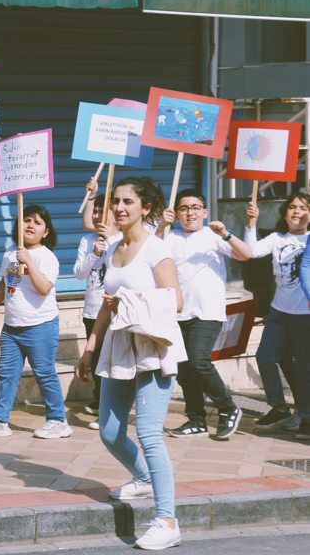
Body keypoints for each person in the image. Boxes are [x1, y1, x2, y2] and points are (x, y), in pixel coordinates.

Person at [75, 176, 185, 551]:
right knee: (109, 431)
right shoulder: (113, 249)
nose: (119, 208)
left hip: (152, 344)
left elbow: (177, 301)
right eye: (116, 201)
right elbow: (107, 302)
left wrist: (127, 299)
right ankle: (142, 479)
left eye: (128, 202)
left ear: (146, 208)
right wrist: (90, 347)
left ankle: (167, 519)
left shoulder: (157, 250)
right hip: (119, 345)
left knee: (150, 432)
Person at [157, 189, 252, 440]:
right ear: (176, 214)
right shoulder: (169, 237)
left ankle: (228, 407)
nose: (190, 212)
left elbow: (247, 255)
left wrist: (227, 233)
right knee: (185, 369)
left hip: (207, 312)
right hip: (177, 313)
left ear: (205, 212)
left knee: (199, 362)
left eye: (195, 207)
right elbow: (149, 255)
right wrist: (161, 226)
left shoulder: (213, 235)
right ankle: (196, 420)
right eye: (184, 208)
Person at [0, 205, 72, 440]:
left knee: (44, 373)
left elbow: (44, 287)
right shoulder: (10, 253)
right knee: (6, 373)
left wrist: (29, 261)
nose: (30, 225)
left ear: (46, 232)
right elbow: (5, 282)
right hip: (12, 326)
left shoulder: (47, 257)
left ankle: (58, 420)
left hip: (40, 325)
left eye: (37, 222)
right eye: (26, 220)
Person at [243, 193, 310, 440]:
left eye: (303, 208)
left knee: (304, 366)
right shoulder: (276, 238)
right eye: (291, 207)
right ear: (284, 213)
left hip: (306, 314)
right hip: (280, 311)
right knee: (265, 356)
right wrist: (251, 223)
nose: (297, 212)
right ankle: (280, 408)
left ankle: (305, 414)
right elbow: (251, 252)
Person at [74, 190, 120, 427]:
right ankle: (102, 402)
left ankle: (109, 411)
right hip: (92, 310)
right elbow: (79, 272)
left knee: (111, 362)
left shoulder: (122, 240)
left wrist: (111, 242)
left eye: (105, 210)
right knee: (96, 361)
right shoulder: (87, 241)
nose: (99, 215)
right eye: (97, 210)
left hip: (114, 310)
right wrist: (95, 252)